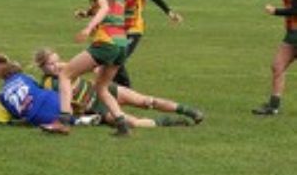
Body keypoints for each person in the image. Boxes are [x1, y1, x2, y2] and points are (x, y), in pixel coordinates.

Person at [43, 0, 130, 135]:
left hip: (106, 42)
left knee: (65, 74)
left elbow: (104, 8)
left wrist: (89, 28)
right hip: (122, 45)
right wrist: (87, 12)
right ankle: (122, 125)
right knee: (101, 88)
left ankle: (63, 122)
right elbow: (109, 10)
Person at [34, 48, 203, 127]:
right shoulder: (48, 84)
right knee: (133, 123)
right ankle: (169, 122)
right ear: (42, 66)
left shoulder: (65, 68)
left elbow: (90, 66)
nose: (56, 65)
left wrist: (97, 71)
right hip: (98, 108)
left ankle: (190, 111)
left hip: (106, 91)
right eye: (50, 64)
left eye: (56, 61)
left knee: (146, 101)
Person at [113, 0, 183, 88]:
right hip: (118, 29)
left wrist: (170, 13)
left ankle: (127, 91)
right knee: (112, 60)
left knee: (118, 59)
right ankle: (118, 92)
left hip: (134, 29)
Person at [252, 0, 297, 115]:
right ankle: (273, 107)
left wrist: (275, 11)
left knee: (278, 66)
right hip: (292, 34)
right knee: (277, 66)